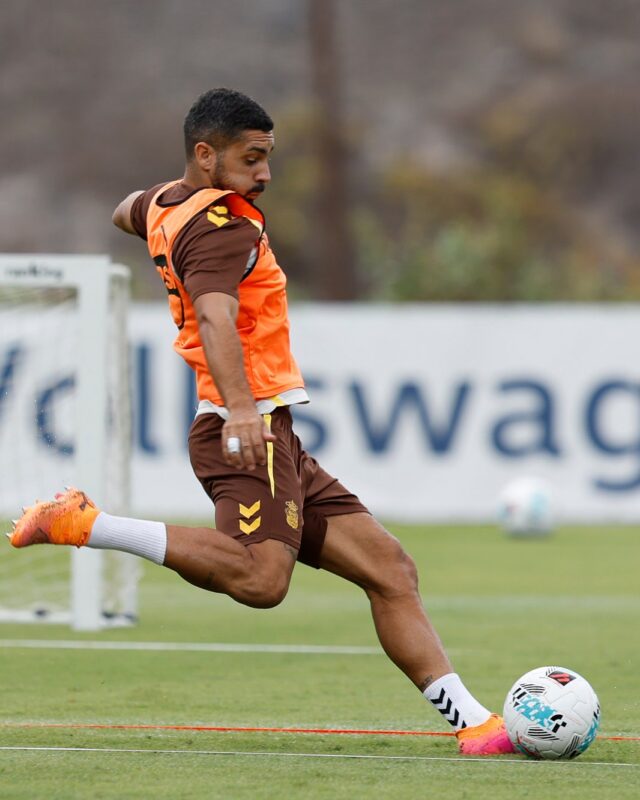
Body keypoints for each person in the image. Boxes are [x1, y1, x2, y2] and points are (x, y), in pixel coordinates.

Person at [9, 88, 513, 756]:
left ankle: (476, 727)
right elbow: (216, 316)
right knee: (260, 580)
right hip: (242, 423)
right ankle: (85, 523)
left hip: (273, 431)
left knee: (391, 569)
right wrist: (243, 409)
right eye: (251, 160)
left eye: (267, 159)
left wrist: (180, 204)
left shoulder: (167, 204)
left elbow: (122, 211)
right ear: (204, 153)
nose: (265, 175)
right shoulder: (225, 229)